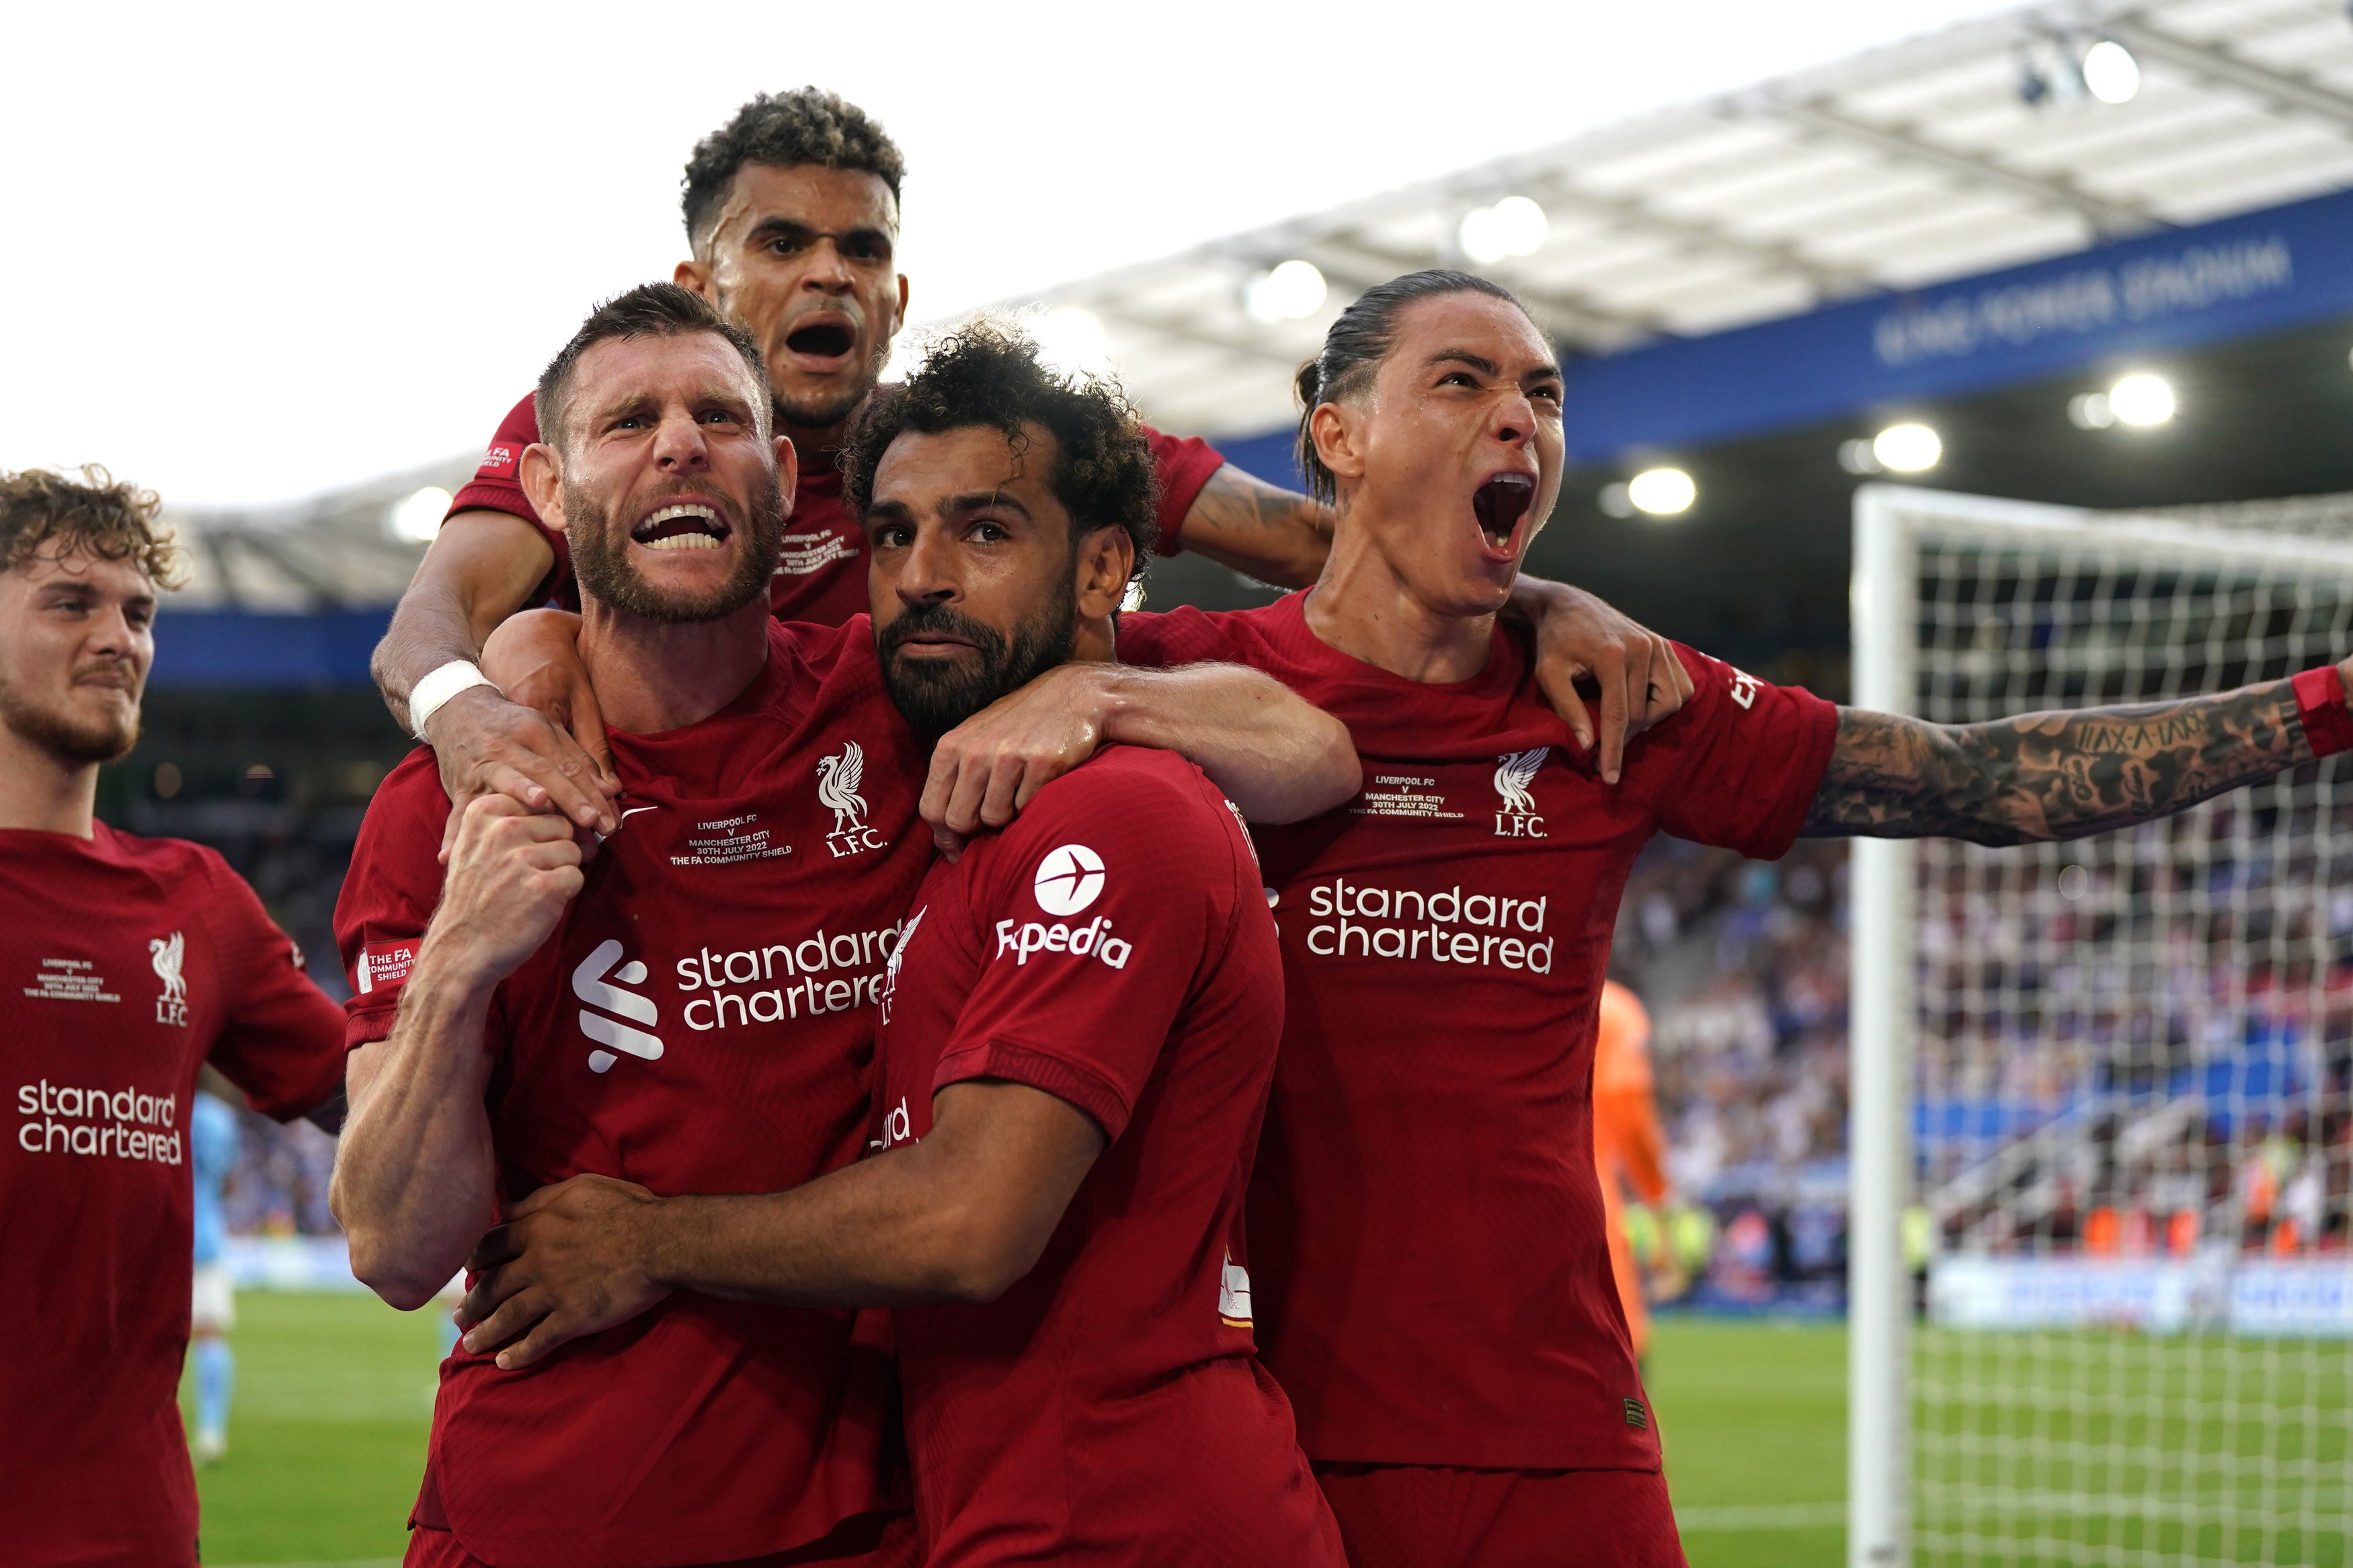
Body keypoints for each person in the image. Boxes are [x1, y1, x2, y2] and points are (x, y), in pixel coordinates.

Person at [918, 268, 2353, 1567]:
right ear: (1336, 433)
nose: (1517, 421)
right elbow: (1010, 467)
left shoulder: (1611, 703)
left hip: (1548, 1432)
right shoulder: (1164, 686)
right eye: (1462, 380)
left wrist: (2324, 704)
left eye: (1542, 394)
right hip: (1248, 1427)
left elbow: (1973, 779)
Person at [330, 286, 1355, 1568]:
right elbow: (392, 1247)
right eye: (627, 421)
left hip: (871, 1522)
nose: (680, 444)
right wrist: (459, 965)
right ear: (546, 484)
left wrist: (1099, 687)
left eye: (721, 415)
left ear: (780, 473)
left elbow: (1311, 741)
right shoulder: (451, 803)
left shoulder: (909, 685)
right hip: (546, 1515)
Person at [380, 88, 1683, 843]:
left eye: (862, 248)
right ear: (698, 283)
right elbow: (429, 626)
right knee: (528, 648)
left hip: (932, 841)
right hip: (699, 856)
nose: (828, 271)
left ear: (897, 295)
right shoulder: (618, 439)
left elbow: (1317, 545)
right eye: (782, 242)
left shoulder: (980, 444)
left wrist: (1537, 598)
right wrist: (473, 709)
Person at [0, 467, 350, 1568]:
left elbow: (385, 1096)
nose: (118, 637)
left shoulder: (198, 903)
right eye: (71, 602)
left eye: (138, 611)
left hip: (133, 1532)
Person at [1593, 979, 1670, 1368]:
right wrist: (1658, 1195)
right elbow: (1632, 1118)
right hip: (1585, 1199)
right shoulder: (1613, 1009)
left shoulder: (1485, 995)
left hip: (1488, 1210)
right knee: (1620, 1359)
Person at [188, 1079, 243, 1464]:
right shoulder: (218, 1117)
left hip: (152, 1235)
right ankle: (211, 1431)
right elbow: (227, 1178)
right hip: (203, 1235)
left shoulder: (149, 1105)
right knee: (210, 1333)